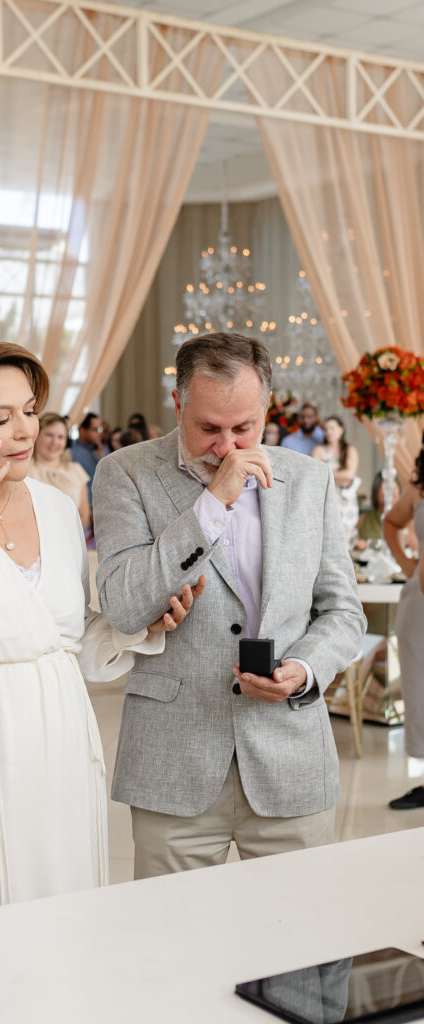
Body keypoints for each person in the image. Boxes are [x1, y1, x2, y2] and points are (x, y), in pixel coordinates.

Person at [0, 331, 203, 927]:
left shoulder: (56, 507)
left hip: (58, 736)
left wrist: (135, 628)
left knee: (57, 909)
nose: (26, 430)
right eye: (1, 418)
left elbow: (65, 637)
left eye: (29, 411)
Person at [93, 331, 365, 878]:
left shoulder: (310, 479)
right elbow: (123, 603)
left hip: (291, 758)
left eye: (244, 428)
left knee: (301, 928)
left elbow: (343, 612)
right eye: (208, 428)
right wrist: (213, 502)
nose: (227, 447)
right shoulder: (124, 473)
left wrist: (304, 669)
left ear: (267, 406)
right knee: (171, 930)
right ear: (178, 403)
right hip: (174, 761)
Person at [383, 447, 424, 810]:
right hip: (419, 608)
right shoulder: (420, 488)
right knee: (420, 691)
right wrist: (409, 565)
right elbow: (391, 523)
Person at [28, 412, 90, 527]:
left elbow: (83, 515)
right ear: (37, 436)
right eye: (49, 435)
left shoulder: (76, 470)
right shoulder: (24, 469)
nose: (55, 442)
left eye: (60, 437)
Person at [311, 416, 360, 544]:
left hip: (346, 502)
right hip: (325, 498)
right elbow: (314, 474)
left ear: (341, 429)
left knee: (345, 538)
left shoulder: (350, 450)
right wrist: (340, 476)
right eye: (326, 429)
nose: (328, 432)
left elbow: (349, 475)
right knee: (326, 537)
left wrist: (326, 472)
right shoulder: (318, 449)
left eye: (332, 428)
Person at [71, 411, 103, 511]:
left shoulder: (94, 450)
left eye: (100, 429)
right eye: (95, 430)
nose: (99, 433)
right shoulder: (73, 453)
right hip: (86, 508)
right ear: (82, 430)